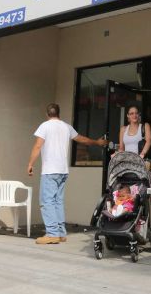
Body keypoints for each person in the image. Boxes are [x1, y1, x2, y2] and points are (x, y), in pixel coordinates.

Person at [27, 103, 106, 245]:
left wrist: (30, 164)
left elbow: (38, 145)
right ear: (59, 113)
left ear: (47, 114)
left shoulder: (44, 126)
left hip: (50, 170)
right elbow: (82, 139)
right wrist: (96, 142)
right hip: (63, 171)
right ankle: (61, 233)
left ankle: (52, 234)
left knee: (47, 201)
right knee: (57, 201)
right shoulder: (66, 127)